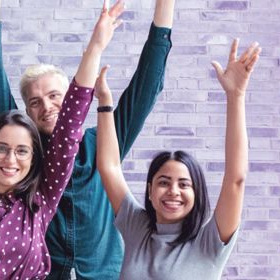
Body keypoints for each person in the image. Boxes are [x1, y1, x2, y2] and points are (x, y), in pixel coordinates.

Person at [0, 0, 174, 278]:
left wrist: (165, 8)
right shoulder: (24, 153)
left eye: (54, 96)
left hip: (103, 273)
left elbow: (147, 85)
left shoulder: (104, 142)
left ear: (71, 96)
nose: (46, 107)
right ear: (28, 112)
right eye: (35, 102)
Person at [0, 2, 122, 278]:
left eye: (22, 151)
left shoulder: (39, 202)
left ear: (33, 160)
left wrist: (95, 48)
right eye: (2, 148)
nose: (11, 159)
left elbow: (69, 126)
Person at [95, 38, 260, 279]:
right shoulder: (137, 228)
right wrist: (104, 104)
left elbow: (236, 178)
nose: (173, 191)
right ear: (150, 190)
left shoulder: (210, 242)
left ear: (197, 193)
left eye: (184, 184)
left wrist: (235, 96)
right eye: (163, 182)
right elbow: (109, 167)